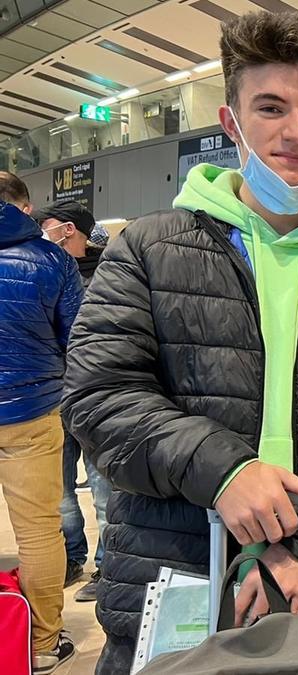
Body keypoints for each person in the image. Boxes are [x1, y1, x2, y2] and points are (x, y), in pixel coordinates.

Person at [61, 12, 298, 673]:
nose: (295, 132)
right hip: (176, 574)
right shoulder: (148, 248)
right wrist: (225, 471)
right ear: (231, 123)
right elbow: (100, 396)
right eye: (271, 107)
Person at [0, 171, 82, 673]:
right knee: (37, 532)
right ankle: (42, 645)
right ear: (23, 208)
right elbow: (79, 338)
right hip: (32, 411)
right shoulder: (51, 259)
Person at [33, 199, 113, 602]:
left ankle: (107, 565)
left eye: (44, 225)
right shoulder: (39, 270)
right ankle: (71, 556)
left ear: (68, 229)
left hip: (97, 396)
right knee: (60, 489)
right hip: (51, 398)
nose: (37, 232)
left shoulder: (110, 272)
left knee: (104, 488)